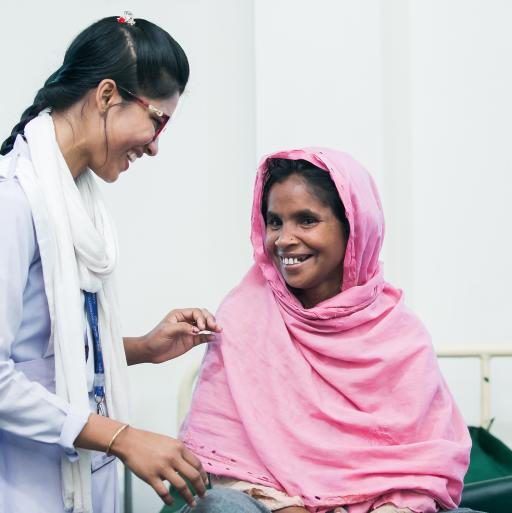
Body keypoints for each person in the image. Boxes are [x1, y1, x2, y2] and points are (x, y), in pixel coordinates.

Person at [0, 13, 224, 513]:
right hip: (22, 485)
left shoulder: (78, 204)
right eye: (156, 120)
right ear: (106, 96)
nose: (155, 145)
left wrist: (142, 348)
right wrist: (122, 437)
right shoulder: (12, 203)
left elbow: (46, 356)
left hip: (80, 474)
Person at [180, 148, 481, 513]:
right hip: (276, 508)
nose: (284, 239)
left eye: (306, 220)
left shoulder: (400, 334)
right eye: (274, 222)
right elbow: (229, 463)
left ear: (353, 227)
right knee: (220, 507)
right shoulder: (244, 317)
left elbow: (427, 466)